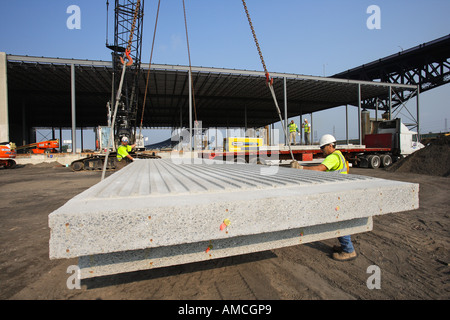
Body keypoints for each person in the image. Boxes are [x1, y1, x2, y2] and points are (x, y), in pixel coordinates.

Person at [301, 134, 357, 261]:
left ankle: (349, 250)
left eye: (323, 148)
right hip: (340, 191)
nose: (322, 151)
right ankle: (345, 246)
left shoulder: (333, 157)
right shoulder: (339, 156)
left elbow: (319, 169)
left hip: (338, 193)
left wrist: (301, 168)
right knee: (338, 219)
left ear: (330, 146)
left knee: (338, 220)